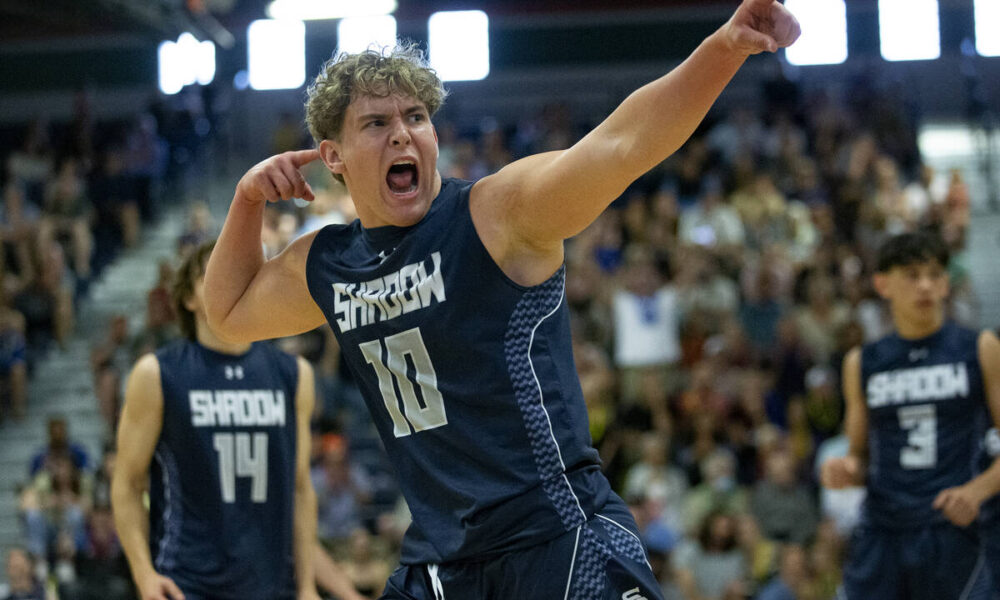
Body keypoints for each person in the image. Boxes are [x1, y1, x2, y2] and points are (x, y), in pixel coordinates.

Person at [204, 2, 800, 597]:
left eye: (415, 116)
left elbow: (624, 143)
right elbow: (226, 315)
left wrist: (725, 48)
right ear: (333, 156)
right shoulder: (328, 262)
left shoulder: (495, 214)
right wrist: (246, 201)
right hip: (442, 562)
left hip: (558, 538)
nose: (402, 133)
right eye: (376, 124)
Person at [111, 241, 321, 600]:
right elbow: (127, 485)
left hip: (271, 584)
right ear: (188, 298)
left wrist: (307, 586)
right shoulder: (157, 373)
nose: (229, 279)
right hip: (184, 582)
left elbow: (300, 488)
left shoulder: (293, 373)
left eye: (239, 271)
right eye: (213, 271)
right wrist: (144, 575)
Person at [821, 231, 1000, 599]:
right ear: (883, 284)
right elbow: (859, 458)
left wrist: (976, 491)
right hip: (883, 529)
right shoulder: (862, 362)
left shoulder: (979, 347)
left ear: (946, 283)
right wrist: (846, 470)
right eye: (912, 275)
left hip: (952, 528)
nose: (925, 286)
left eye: (934, 275)